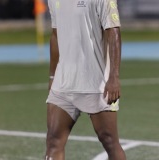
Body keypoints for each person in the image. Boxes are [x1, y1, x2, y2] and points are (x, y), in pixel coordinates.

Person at [45, 0, 126, 159]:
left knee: (109, 140)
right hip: (63, 82)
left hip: (96, 84)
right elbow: (55, 35)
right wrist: (53, 75)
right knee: (54, 140)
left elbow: (114, 33)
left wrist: (114, 77)